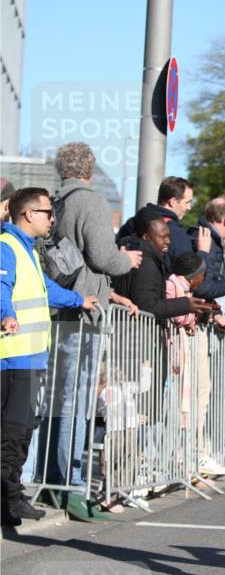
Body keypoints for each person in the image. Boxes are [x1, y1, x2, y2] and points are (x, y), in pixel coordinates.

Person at [1, 187, 98, 525]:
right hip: (14, 358)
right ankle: (9, 501)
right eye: (47, 212)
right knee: (13, 434)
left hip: (27, 359)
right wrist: (5, 313)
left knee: (21, 431)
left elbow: (45, 288)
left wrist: (79, 300)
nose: (52, 219)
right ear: (28, 214)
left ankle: (10, 497)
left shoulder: (26, 249)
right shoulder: (7, 247)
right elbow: (1, 285)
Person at [48, 142, 141, 491]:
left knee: (58, 397)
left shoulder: (56, 202)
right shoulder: (91, 201)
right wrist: (127, 261)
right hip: (84, 310)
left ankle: (52, 476)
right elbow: (103, 257)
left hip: (60, 306)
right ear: (89, 168)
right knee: (78, 397)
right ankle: (70, 482)